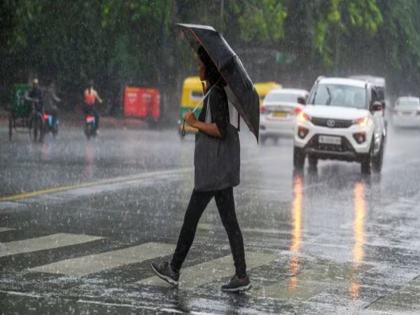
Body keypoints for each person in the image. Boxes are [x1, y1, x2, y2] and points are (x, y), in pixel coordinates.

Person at [151, 46, 251, 292]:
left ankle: (174, 269)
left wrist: (195, 123)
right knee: (229, 223)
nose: (197, 68)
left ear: (209, 67)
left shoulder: (216, 94)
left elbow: (220, 129)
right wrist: (196, 123)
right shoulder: (213, 92)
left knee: (192, 219)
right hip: (217, 168)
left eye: (200, 64)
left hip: (213, 170)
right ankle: (241, 275)